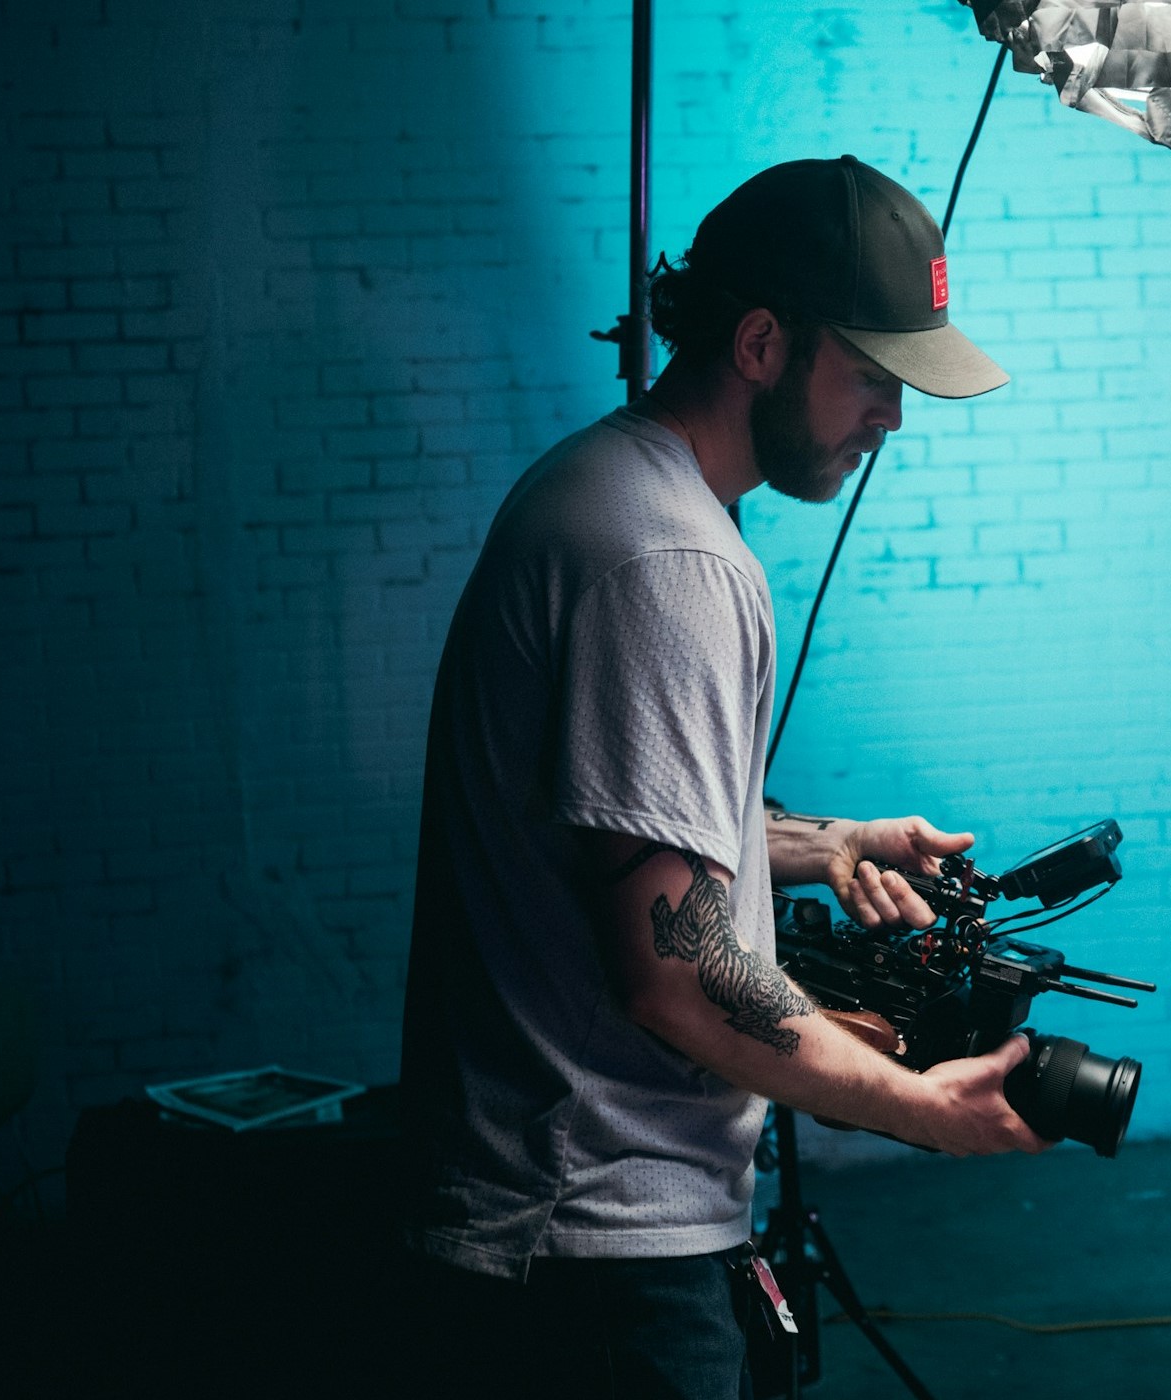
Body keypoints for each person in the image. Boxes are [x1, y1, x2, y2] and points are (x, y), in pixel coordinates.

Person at [398, 155, 1046, 1399]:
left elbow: (609, 813)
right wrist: (924, 1107)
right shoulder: (670, 562)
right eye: (871, 376)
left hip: (559, 1234)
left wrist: (823, 842)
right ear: (762, 341)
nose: (893, 418)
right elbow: (679, 969)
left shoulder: (609, 485)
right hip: (596, 1254)